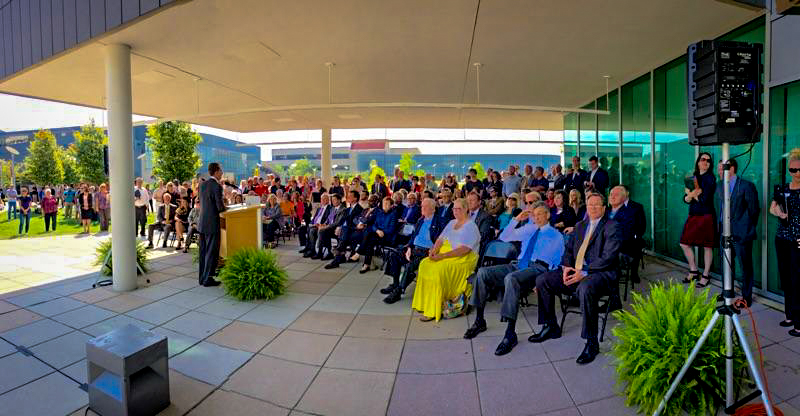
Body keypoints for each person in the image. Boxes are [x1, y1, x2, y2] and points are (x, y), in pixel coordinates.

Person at [531, 193, 621, 365]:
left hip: (600, 275)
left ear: (604, 208)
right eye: (590, 205)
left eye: (597, 205)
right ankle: (550, 326)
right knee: (543, 280)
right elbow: (569, 251)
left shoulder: (612, 226)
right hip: (576, 273)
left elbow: (609, 257)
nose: (593, 208)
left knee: (586, 287)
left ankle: (591, 341)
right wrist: (566, 268)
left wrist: (585, 271)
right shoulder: (580, 226)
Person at [466, 205, 564, 355]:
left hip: (537, 269)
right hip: (518, 265)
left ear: (548, 215)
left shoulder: (556, 235)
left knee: (511, 279)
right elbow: (504, 237)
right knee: (483, 273)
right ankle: (480, 321)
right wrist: (516, 219)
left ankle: (510, 334)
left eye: (540, 214)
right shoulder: (529, 229)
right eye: (534, 215)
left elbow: (558, 261)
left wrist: (545, 281)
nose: (536, 217)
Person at [412, 198, 481, 321]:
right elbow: (440, 239)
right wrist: (434, 249)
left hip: (462, 260)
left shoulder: (471, 226)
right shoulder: (451, 222)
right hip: (447, 254)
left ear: (466, 209)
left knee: (437, 270)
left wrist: (442, 256)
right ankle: (424, 304)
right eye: (454, 208)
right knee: (424, 264)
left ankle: (433, 310)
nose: (455, 211)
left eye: (459, 209)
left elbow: (464, 250)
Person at [714, 159, 760, 306]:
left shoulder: (746, 186)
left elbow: (754, 210)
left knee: (745, 265)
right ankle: (727, 291)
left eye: (722, 169)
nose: (719, 172)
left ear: (732, 168)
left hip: (742, 233)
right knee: (725, 263)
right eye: (719, 169)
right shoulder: (719, 185)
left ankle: (746, 297)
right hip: (723, 231)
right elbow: (719, 208)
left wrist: (746, 226)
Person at [381, 198, 443, 303]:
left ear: (433, 209)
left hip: (426, 252)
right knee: (394, 255)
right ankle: (395, 284)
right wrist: (409, 247)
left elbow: (442, 239)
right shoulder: (420, 220)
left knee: (410, 265)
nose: (422, 208)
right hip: (414, 249)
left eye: (425, 206)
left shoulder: (439, 221)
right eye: (422, 206)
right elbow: (413, 237)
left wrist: (434, 249)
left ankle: (399, 291)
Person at [770, 150, 800, 337]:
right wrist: (779, 213)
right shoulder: (782, 189)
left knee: (798, 280)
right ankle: (789, 315)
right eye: (793, 169)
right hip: (782, 238)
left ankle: (799, 322)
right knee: (786, 279)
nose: (797, 173)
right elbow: (772, 207)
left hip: (798, 240)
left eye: (799, 169)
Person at [679, 152, 717, 287]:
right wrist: (691, 195)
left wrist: (691, 195)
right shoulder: (692, 177)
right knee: (684, 243)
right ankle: (694, 270)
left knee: (707, 246)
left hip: (706, 215)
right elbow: (685, 199)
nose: (705, 162)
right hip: (693, 215)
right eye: (703, 159)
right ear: (698, 161)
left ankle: (706, 274)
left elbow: (704, 200)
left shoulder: (710, 178)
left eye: (708, 160)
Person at [198, 163, 227, 287]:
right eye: (221, 171)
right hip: (212, 224)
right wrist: (226, 207)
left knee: (203, 251)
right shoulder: (217, 186)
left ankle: (202, 278)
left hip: (202, 223)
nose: (222, 173)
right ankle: (208, 279)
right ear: (216, 172)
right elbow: (220, 207)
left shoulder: (203, 185)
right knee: (212, 252)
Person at [324, 190, 365, 269]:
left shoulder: (360, 209)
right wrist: (339, 227)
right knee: (340, 231)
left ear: (355, 198)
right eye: (348, 196)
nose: (347, 197)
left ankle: (338, 256)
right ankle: (340, 255)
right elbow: (341, 220)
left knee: (344, 233)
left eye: (350, 196)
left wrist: (342, 228)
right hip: (346, 231)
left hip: (355, 231)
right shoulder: (347, 209)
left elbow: (357, 224)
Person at [358, 197, 398, 272]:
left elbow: (391, 229)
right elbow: (374, 225)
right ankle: (367, 264)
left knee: (369, 237)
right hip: (377, 234)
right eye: (383, 204)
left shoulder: (394, 214)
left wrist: (381, 231)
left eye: (387, 204)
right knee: (369, 238)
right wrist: (377, 230)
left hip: (386, 236)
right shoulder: (380, 212)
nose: (384, 205)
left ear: (392, 206)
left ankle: (361, 253)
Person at [315, 193, 348, 260]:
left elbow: (338, 222)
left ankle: (321, 252)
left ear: (339, 200)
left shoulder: (343, 209)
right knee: (322, 231)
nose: (333, 201)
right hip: (330, 229)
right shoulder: (333, 208)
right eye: (332, 200)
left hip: (337, 230)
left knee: (323, 231)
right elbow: (328, 219)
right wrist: (323, 224)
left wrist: (326, 226)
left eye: (334, 200)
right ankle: (325, 252)